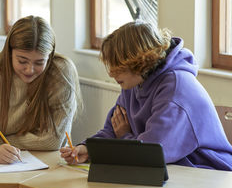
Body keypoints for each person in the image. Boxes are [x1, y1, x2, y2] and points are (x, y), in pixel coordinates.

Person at [60, 21, 232, 171]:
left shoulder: (176, 89)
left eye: (117, 66)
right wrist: (88, 148)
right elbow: (113, 129)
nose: (111, 72)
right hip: (171, 169)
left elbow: (151, 155)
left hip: (207, 173)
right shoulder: (134, 81)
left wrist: (125, 136)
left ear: (139, 62)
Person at [0, 15, 83, 165]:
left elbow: (52, 141)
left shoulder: (61, 72)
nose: (30, 69)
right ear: (9, 53)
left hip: (50, 165)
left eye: (39, 62)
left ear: (50, 56)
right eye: (22, 61)